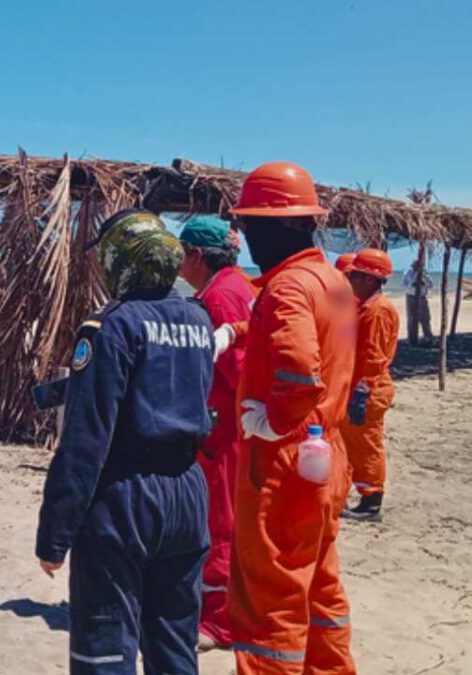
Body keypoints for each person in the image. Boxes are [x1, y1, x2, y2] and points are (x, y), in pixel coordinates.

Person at [36, 208, 213, 673]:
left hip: (126, 497)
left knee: (104, 648)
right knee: (174, 644)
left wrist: (54, 536)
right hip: (188, 494)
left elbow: (85, 439)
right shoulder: (197, 318)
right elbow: (170, 383)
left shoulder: (111, 324)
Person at [227, 161, 358, 674]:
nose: (246, 237)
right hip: (327, 456)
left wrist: (274, 421)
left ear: (279, 225)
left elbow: (301, 373)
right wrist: (240, 333)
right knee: (319, 582)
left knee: (271, 596)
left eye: (252, 225)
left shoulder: (287, 289)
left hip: (285, 461)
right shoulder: (333, 282)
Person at [177, 215, 255, 652]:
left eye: (182, 253)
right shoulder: (234, 286)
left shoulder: (222, 296)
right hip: (229, 424)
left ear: (197, 256)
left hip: (224, 427)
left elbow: (240, 371)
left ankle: (221, 623)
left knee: (220, 521)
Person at [340, 249, 399, 522]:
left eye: (354, 275)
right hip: (363, 386)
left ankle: (371, 501)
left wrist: (362, 392)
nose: (349, 280)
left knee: (366, 444)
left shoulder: (377, 311)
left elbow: (373, 358)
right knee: (355, 442)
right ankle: (363, 494)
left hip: (370, 389)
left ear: (369, 279)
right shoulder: (366, 306)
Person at [404, 258, 435, 345]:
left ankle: (428, 337)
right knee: (412, 318)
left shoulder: (425, 272)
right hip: (411, 297)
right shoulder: (409, 272)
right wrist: (416, 276)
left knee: (425, 318)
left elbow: (431, 284)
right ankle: (412, 339)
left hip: (422, 297)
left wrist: (423, 277)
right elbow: (405, 285)